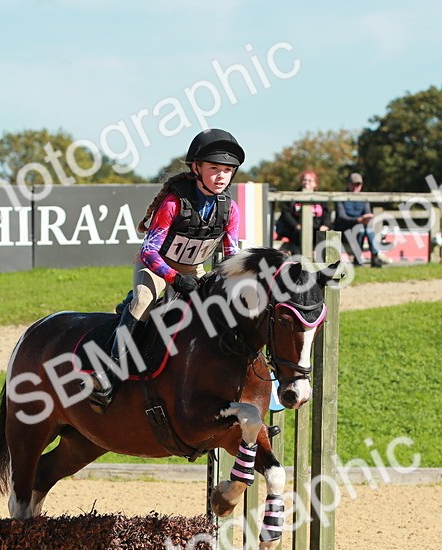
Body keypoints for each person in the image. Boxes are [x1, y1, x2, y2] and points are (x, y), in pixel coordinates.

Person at [88, 128, 243, 413]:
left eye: (227, 170)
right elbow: (149, 251)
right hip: (156, 267)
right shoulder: (174, 203)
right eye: (214, 169)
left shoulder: (230, 209)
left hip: (194, 269)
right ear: (196, 169)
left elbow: (230, 255)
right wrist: (174, 279)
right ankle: (110, 374)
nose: (221, 176)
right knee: (143, 301)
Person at [332, 172, 388, 267]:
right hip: (345, 230)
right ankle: (369, 257)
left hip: (361, 228)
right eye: (353, 184)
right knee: (361, 229)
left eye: (358, 185)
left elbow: (367, 213)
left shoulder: (363, 198)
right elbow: (342, 218)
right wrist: (358, 220)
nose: (355, 187)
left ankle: (374, 256)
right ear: (348, 184)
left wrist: (366, 219)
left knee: (368, 229)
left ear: (361, 186)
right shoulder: (341, 198)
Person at [275, 170, 329, 256]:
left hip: (316, 229)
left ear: (315, 183)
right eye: (304, 180)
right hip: (297, 231)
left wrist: (325, 225)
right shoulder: (292, 196)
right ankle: (300, 259)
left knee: (327, 235)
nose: (306, 182)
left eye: (310, 180)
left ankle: (321, 260)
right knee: (299, 234)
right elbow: (286, 213)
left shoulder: (321, 198)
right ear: (301, 182)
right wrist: (296, 225)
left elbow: (326, 213)